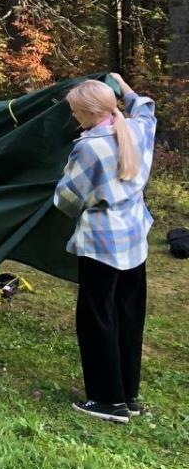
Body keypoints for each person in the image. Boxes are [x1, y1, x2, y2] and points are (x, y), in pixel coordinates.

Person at [54, 73, 156, 424]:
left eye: (76, 113)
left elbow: (67, 199)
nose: (74, 119)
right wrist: (122, 84)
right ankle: (128, 395)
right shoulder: (137, 130)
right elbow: (146, 109)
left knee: (97, 319)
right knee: (129, 316)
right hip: (134, 240)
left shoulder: (89, 147)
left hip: (101, 244)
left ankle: (106, 401)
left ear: (90, 113)